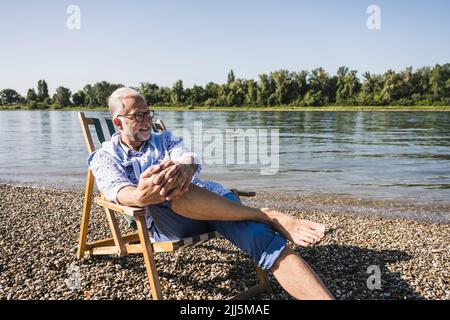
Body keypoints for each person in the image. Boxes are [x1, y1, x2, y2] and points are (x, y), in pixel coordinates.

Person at [88, 87, 334, 300]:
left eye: (148, 113)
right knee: (176, 192)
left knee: (259, 236)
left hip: (211, 202)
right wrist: (144, 193)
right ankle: (265, 214)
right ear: (118, 122)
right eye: (137, 116)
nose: (146, 120)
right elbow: (119, 192)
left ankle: (263, 221)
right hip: (170, 222)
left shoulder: (165, 140)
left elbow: (187, 157)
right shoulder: (104, 158)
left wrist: (184, 168)